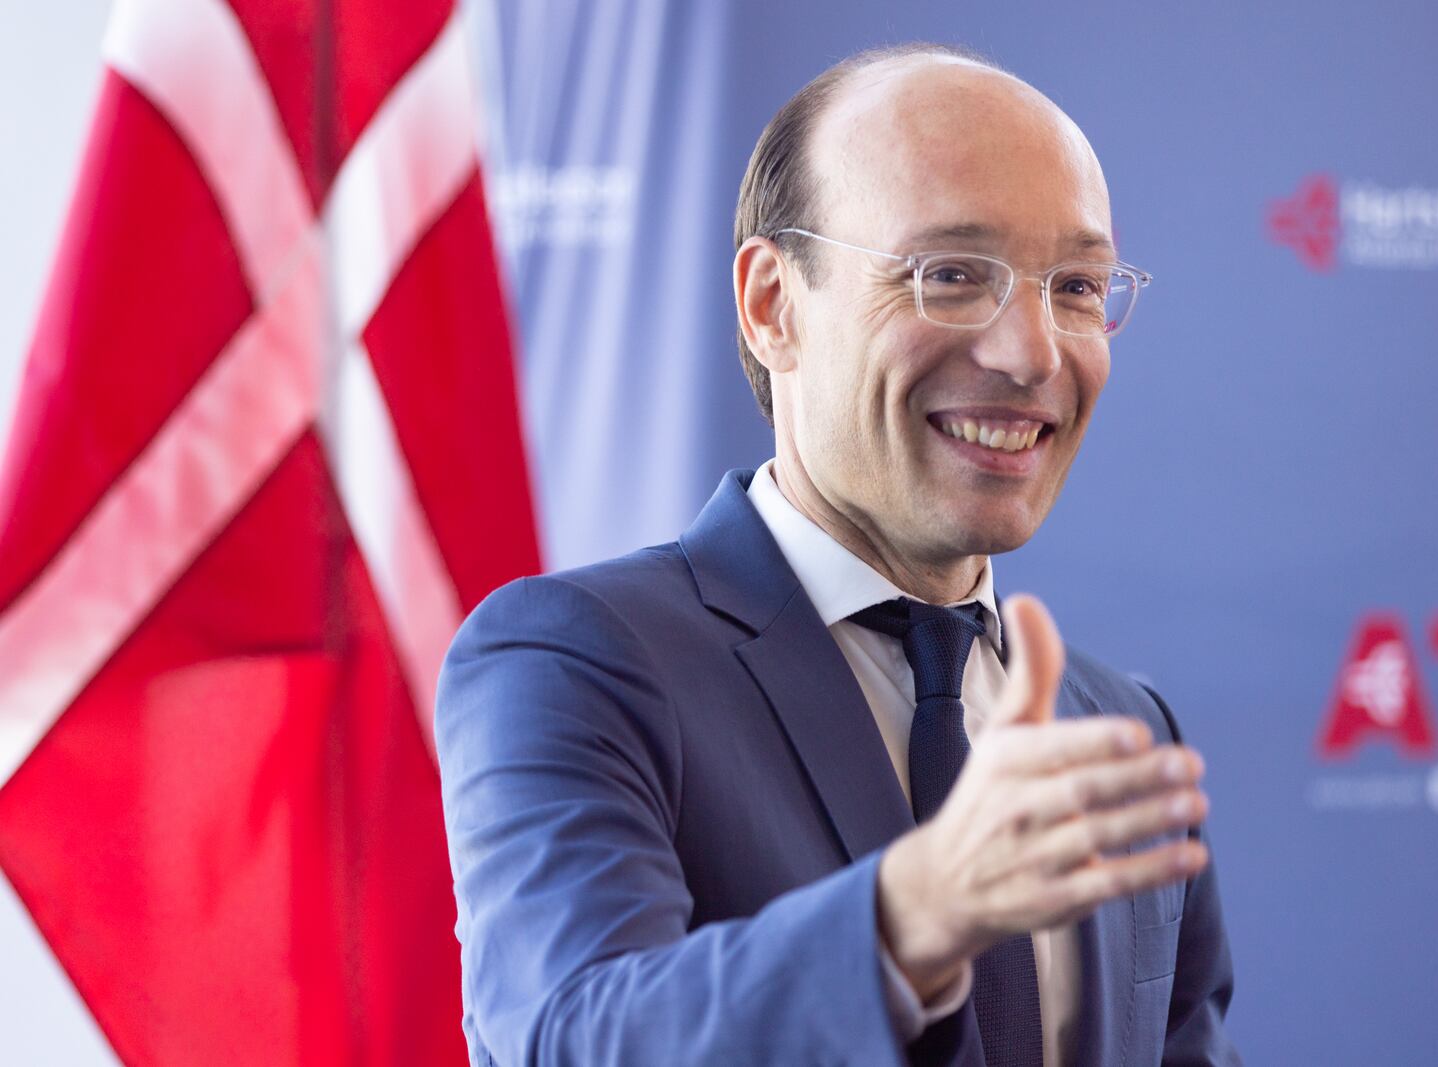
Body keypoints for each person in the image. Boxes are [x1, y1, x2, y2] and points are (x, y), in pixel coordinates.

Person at [436, 43, 1241, 1067]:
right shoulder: (576, 659)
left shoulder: (1119, 726)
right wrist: (915, 912)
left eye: (1077, 286)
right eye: (950, 274)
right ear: (774, 304)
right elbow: (574, 1034)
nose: (1031, 352)